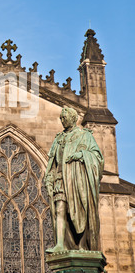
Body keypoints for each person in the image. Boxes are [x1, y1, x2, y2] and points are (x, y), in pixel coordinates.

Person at [44, 107, 104, 252]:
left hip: (77, 180)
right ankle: (60, 244)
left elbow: (97, 157)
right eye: (61, 118)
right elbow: (52, 161)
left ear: (73, 118)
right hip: (60, 179)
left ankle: (83, 245)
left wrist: (81, 155)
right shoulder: (58, 139)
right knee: (60, 210)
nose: (62, 120)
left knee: (81, 212)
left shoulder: (85, 136)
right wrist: (49, 177)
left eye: (64, 118)